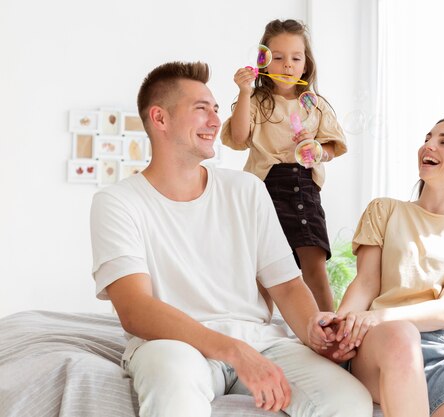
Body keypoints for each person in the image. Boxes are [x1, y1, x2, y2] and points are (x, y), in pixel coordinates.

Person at [89, 61, 372, 417]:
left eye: (216, 109)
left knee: (349, 401)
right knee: (174, 393)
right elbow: (135, 310)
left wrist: (313, 333)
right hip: (171, 344)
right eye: (201, 109)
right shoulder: (118, 202)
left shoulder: (247, 189)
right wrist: (234, 351)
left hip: (260, 341)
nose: (214, 120)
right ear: (160, 119)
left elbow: (286, 285)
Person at [331, 118, 444, 417]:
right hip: (384, 340)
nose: (428, 145)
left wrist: (374, 317)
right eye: (428, 137)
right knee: (402, 335)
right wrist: (342, 328)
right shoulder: (386, 211)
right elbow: (365, 283)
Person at [221, 19, 346, 312]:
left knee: (313, 265)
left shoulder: (315, 105)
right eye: (277, 57)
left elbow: (333, 147)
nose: (287, 65)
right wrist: (243, 92)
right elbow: (238, 138)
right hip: (263, 188)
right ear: (264, 63)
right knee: (262, 270)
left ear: (305, 65)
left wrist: (316, 150)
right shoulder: (255, 100)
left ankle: (330, 328)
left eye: (295, 58)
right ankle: (259, 330)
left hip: (304, 188)